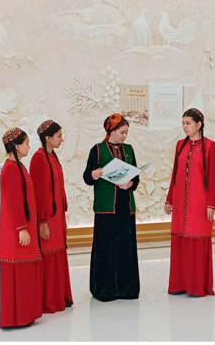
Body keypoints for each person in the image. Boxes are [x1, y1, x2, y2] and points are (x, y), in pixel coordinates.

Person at [82, 113, 140, 301]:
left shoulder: (129, 149)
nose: (125, 136)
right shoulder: (97, 150)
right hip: (106, 209)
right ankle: (105, 289)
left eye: (126, 132)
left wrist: (131, 183)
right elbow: (87, 177)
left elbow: (136, 177)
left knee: (125, 248)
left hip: (125, 208)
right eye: (122, 132)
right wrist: (94, 175)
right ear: (111, 131)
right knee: (106, 249)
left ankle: (127, 289)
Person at [165, 108, 215, 297]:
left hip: (200, 203)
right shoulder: (180, 145)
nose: (184, 127)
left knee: (197, 240)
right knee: (181, 240)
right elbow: (174, 174)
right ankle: (179, 284)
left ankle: (197, 286)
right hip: (180, 202)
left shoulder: (211, 146)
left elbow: (213, 178)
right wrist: (169, 199)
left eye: (188, 123)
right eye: (183, 123)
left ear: (199, 124)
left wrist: (211, 205)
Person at [0, 127, 43, 328]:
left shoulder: (18, 167)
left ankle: (25, 314)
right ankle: (17, 317)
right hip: (17, 231)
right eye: (26, 143)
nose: (29, 147)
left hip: (22, 228)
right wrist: (21, 228)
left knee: (25, 274)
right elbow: (15, 202)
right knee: (19, 274)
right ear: (16, 146)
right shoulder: (11, 169)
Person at [30, 120, 74, 313]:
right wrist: (42, 221)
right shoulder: (39, 158)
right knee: (49, 254)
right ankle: (50, 300)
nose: (62, 139)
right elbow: (39, 193)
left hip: (57, 217)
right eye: (59, 136)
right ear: (47, 138)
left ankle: (60, 296)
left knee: (58, 252)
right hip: (48, 218)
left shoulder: (52, 156)